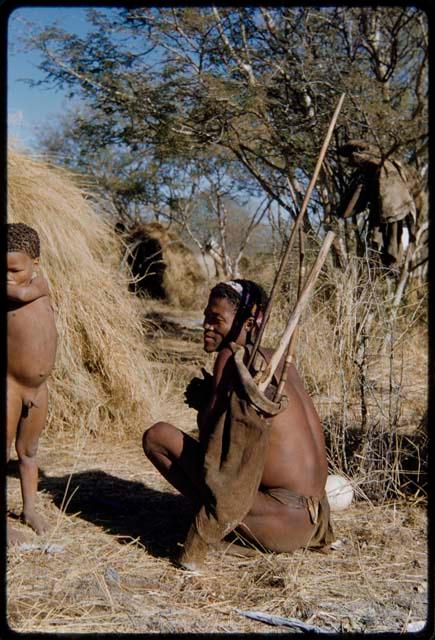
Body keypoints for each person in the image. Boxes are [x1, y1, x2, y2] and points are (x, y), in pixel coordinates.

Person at [143, 279, 333, 556]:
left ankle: (226, 534)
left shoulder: (232, 357)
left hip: (281, 521)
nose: (206, 326)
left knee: (157, 436)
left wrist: (204, 408)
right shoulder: (281, 361)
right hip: (315, 519)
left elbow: (214, 451)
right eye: (206, 317)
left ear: (247, 324)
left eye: (216, 319)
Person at [7, 223, 58, 544]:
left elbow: (26, 292)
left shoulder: (40, 285)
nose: (8, 276)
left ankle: (29, 509)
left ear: (35, 263)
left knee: (29, 451)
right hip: (10, 384)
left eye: (15, 269)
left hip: (38, 389)